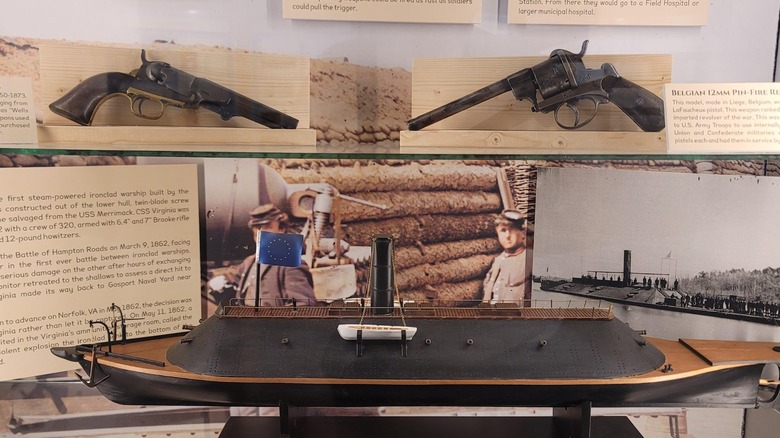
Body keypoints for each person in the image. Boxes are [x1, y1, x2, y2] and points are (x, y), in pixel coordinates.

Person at [236, 203, 318, 306]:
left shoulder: (290, 263)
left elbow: (303, 306)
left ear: (281, 230)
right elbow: (236, 284)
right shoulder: (249, 262)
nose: (260, 232)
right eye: (257, 227)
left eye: (267, 227)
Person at [482, 209, 533, 306]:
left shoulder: (530, 258)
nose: (507, 236)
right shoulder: (497, 261)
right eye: (503, 231)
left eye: (512, 230)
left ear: (523, 233)